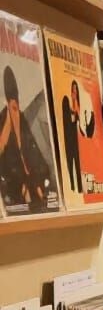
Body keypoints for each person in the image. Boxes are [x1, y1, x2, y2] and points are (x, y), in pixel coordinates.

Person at [0, 66, 52, 213]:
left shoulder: (22, 118)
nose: (16, 109)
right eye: (13, 106)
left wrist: (41, 169)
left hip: (30, 173)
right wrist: (9, 121)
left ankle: (39, 198)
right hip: (13, 175)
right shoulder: (3, 120)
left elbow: (31, 145)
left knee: (38, 191)